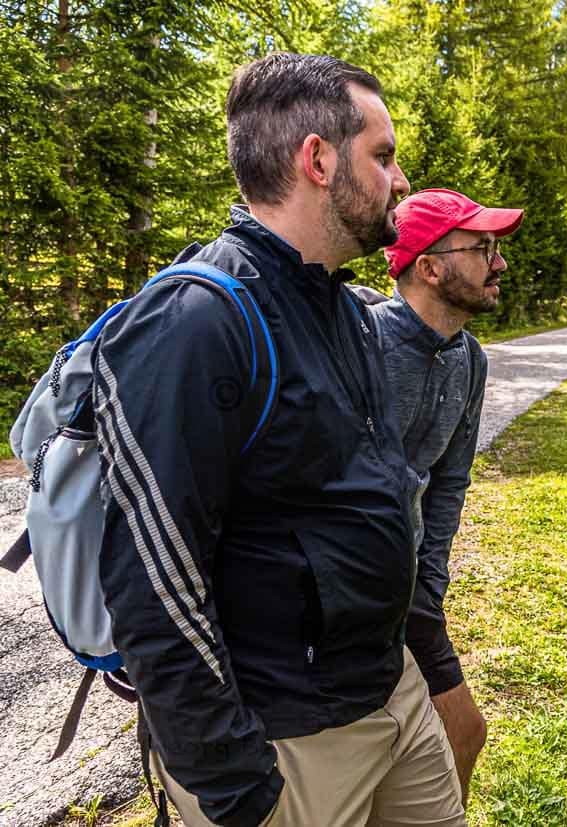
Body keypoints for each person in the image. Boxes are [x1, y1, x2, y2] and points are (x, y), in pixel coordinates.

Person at [92, 53, 467, 827]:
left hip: (392, 696)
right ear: (319, 159)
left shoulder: (348, 312)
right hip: (288, 745)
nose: (400, 181)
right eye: (384, 156)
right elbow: (151, 584)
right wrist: (235, 786)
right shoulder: (198, 322)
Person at [370, 188, 524, 802]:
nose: (500, 262)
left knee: (464, 735)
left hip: (409, 595)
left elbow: (450, 482)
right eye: (482, 247)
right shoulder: (362, 342)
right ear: (430, 268)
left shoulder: (472, 359)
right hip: (342, 599)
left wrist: (429, 586)